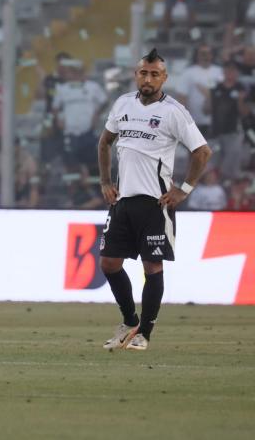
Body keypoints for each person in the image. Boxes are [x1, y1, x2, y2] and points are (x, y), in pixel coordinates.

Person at [98, 49, 212, 351]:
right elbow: (105, 142)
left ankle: (144, 333)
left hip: (154, 204)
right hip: (122, 200)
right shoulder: (122, 103)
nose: (148, 79)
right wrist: (106, 181)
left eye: (154, 74)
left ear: (164, 78)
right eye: (143, 73)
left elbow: (202, 152)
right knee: (109, 263)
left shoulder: (174, 112)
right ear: (136, 74)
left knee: (152, 268)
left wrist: (183, 189)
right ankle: (129, 321)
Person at [206, 61, 249, 180]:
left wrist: (240, 100)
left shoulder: (241, 88)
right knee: (212, 165)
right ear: (223, 72)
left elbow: (245, 113)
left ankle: (231, 191)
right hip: (215, 132)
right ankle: (215, 189)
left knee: (231, 167)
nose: (230, 73)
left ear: (237, 73)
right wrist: (208, 97)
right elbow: (206, 110)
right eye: (228, 70)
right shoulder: (215, 88)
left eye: (233, 70)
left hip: (233, 132)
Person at [174, 45, 222, 136]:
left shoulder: (219, 72)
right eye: (203, 54)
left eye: (208, 54)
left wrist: (208, 94)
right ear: (197, 55)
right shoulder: (188, 73)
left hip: (217, 123)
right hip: (195, 124)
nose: (206, 56)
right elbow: (182, 98)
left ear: (212, 55)